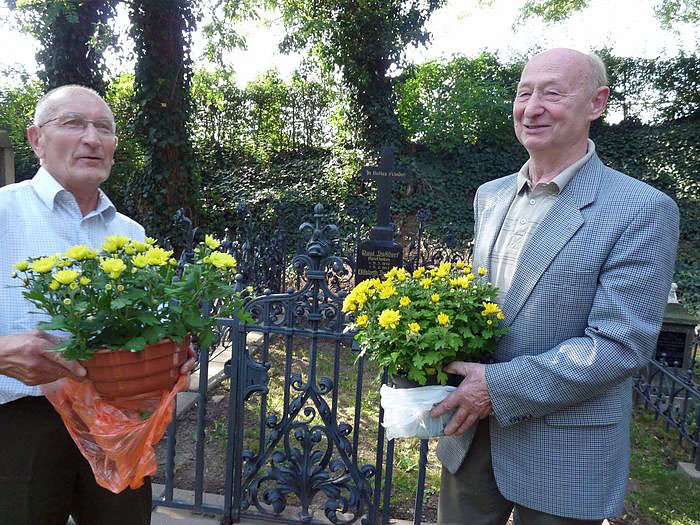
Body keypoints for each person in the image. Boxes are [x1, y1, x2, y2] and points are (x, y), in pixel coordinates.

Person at [431, 48, 679, 524]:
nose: (532, 108)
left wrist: (496, 387)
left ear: (597, 103)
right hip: (469, 436)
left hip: (564, 450)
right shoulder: (490, 195)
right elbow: (481, 307)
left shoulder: (641, 209)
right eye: (524, 93)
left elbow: (620, 346)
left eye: (552, 93)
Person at [0, 85, 192, 525]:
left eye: (104, 128)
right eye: (73, 123)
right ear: (36, 139)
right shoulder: (3, 213)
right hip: (19, 427)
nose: (92, 138)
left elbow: (154, 329)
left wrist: (177, 356)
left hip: (116, 421)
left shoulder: (131, 234)